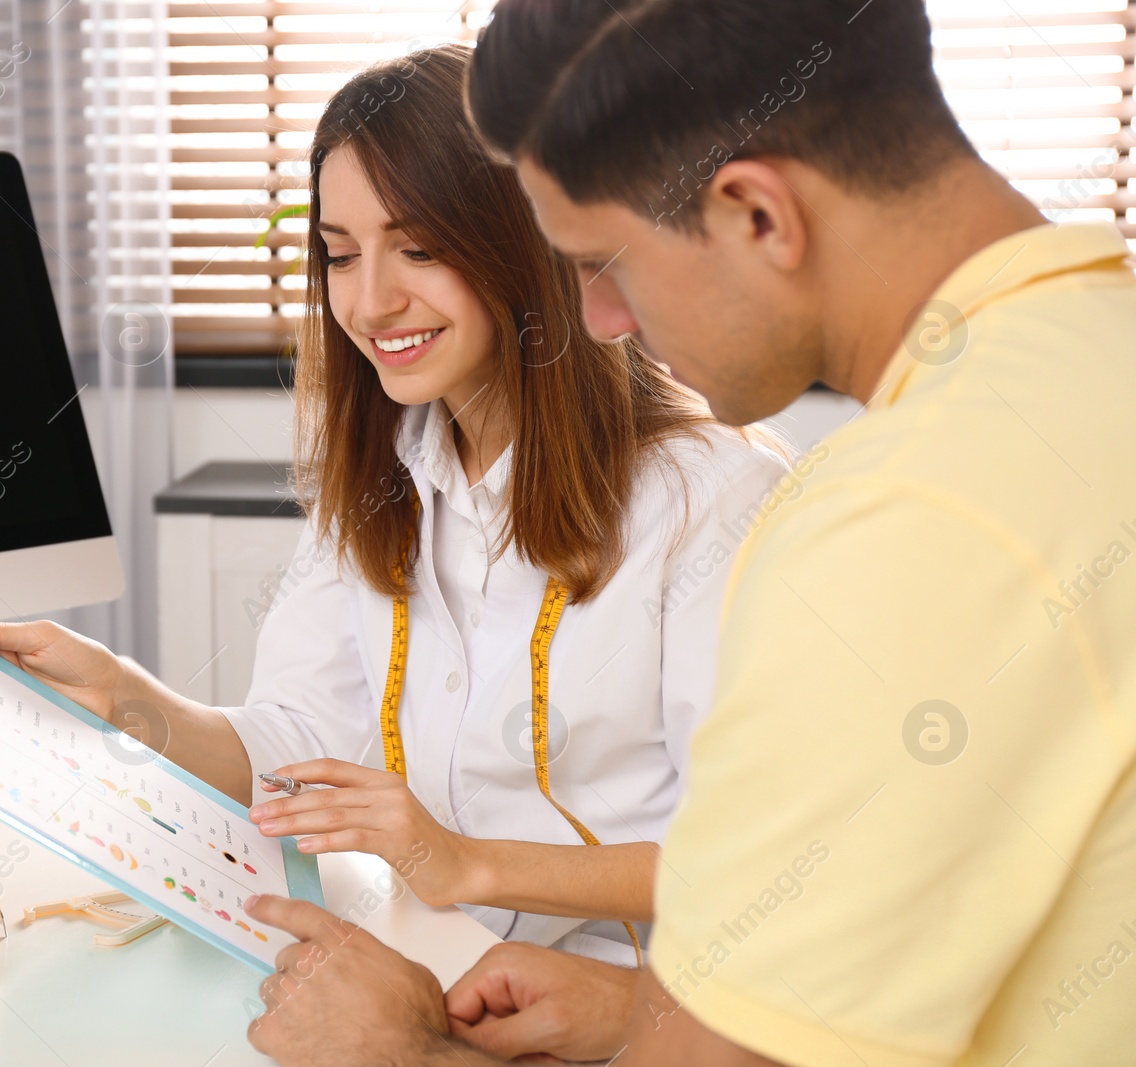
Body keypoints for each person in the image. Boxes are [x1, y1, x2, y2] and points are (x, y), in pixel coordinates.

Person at [238, 1, 1136, 1064]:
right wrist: (636, 1012)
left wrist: (404, 1050)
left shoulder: (897, 525)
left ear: (755, 212)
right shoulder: (1090, 354)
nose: (601, 319)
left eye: (605, 261)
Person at [0, 43, 785, 973]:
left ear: (529, 245)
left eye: (421, 248)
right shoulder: (387, 475)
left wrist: (460, 861)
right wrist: (126, 697)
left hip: (649, 1003)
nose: (371, 301)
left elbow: (760, 860)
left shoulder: (708, 500)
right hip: (453, 963)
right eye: (341, 255)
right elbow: (297, 741)